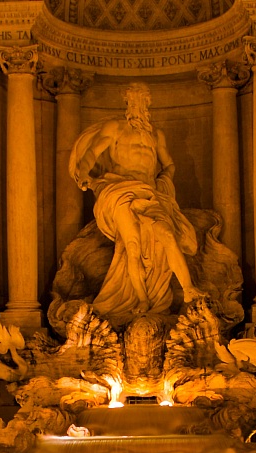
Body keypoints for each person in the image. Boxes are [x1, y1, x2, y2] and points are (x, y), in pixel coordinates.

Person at [69, 83, 201, 326]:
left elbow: (169, 165)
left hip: (149, 192)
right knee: (132, 245)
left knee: (167, 233)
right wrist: (84, 172)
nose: (138, 105)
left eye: (142, 100)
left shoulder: (156, 134)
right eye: (133, 100)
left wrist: (164, 180)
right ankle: (141, 299)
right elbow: (92, 153)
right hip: (119, 189)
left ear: (148, 104)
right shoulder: (115, 127)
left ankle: (189, 288)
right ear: (127, 103)